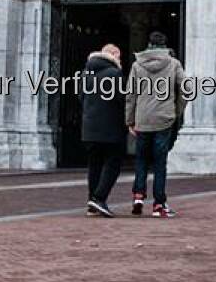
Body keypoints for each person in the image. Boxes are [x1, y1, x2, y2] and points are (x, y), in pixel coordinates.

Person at [124, 31, 188, 218]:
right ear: (165, 45)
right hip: (164, 119)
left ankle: (138, 196)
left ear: (149, 44)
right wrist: (176, 111)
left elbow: (131, 95)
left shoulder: (137, 65)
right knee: (160, 163)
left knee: (141, 160)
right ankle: (159, 203)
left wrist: (130, 120)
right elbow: (186, 89)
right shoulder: (173, 64)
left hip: (142, 119)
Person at [79, 44, 125, 217]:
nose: (120, 60)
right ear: (112, 55)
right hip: (110, 127)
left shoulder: (86, 73)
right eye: (118, 56)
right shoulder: (114, 74)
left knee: (94, 165)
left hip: (89, 127)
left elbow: (81, 98)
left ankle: (92, 202)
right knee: (113, 163)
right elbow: (121, 100)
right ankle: (99, 198)